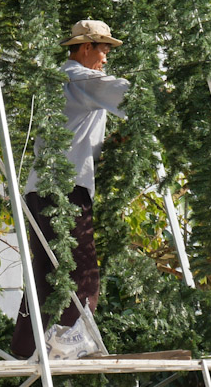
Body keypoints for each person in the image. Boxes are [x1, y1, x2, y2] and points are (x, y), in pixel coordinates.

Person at [11, 19, 130, 359]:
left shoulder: (61, 83)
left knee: (46, 272)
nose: (105, 58)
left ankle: (25, 346)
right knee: (82, 269)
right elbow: (130, 96)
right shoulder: (80, 78)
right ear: (86, 47)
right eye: (103, 49)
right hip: (66, 187)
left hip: (39, 190)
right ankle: (69, 335)